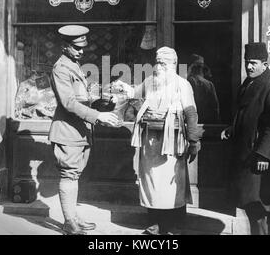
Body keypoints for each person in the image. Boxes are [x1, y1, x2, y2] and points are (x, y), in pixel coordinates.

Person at [114, 46, 201, 235]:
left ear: (174, 65)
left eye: (164, 63)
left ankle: (170, 226)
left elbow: (191, 113)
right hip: (150, 143)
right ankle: (153, 224)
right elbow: (134, 94)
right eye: (157, 62)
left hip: (172, 143)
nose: (159, 67)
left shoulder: (182, 84)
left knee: (171, 186)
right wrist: (123, 88)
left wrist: (194, 141)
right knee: (151, 184)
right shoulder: (150, 81)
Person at [48, 25, 119, 235]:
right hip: (68, 132)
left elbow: (81, 99)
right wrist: (97, 116)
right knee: (69, 175)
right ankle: (69, 222)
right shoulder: (61, 68)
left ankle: (74, 217)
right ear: (64, 46)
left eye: (82, 47)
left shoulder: (74, 65)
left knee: (74, 175)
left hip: (79, 131)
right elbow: (68, 102)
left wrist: (102, 103)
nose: (81, 51)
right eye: (76, 47)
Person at [221, 42, 270, 235]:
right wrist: (232, 129)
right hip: (246, 156)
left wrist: (263, 155)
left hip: (258, 160)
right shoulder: (248, 85)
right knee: (251, 208)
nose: (248, 66)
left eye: (253, 63)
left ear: (265, 64)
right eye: (246, 62)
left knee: (259, 209)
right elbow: (246, 116)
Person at [187, 54, 220, 123]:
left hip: (194, 121)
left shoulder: (188, 82)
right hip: (205, 122)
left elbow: (215, 106)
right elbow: (215, 108)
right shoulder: (209, 84)